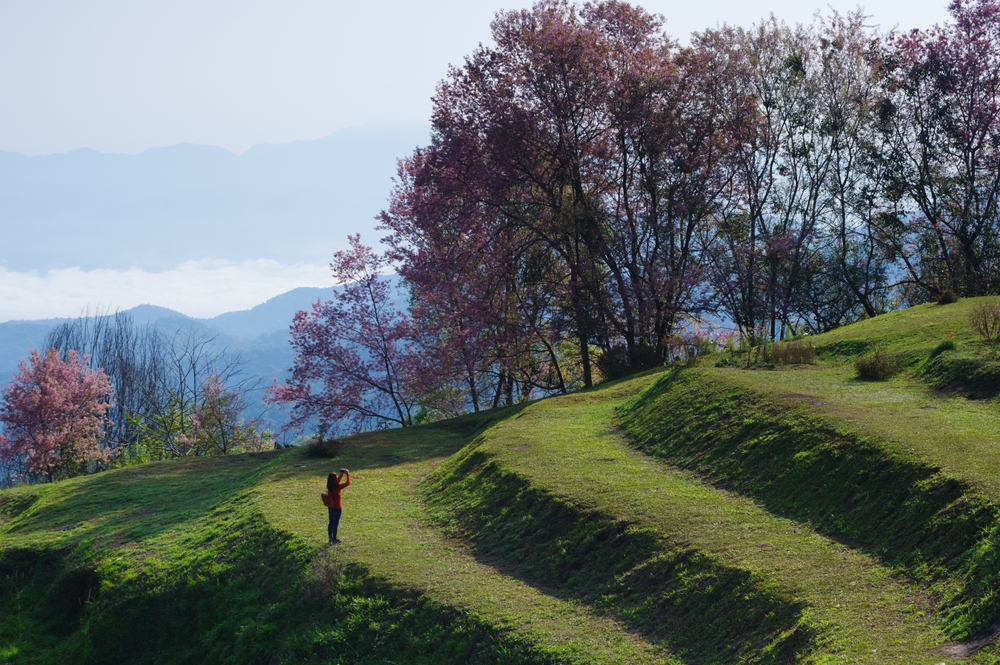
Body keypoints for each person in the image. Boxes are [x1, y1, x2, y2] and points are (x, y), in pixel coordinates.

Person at [325, 468, 350, 544]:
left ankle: (330, 538)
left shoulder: (330, 486)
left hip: (331, 507)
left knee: (331, 523)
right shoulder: (337, 487)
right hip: (337, 508)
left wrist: (341, 474)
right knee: (335, 524)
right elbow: (348, 483)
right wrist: (348, 474)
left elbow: (336, 482)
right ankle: (335, 539)